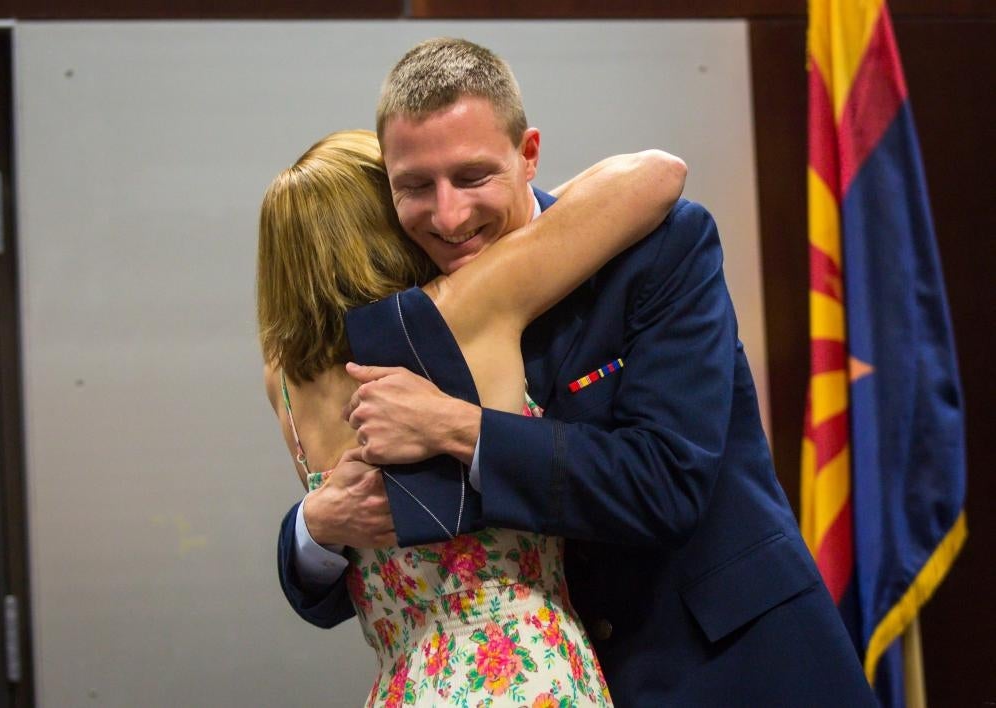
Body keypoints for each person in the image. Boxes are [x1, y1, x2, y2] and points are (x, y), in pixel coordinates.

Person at [282, 38, 878, 706]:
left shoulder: (658, 250)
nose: (448, 216)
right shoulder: (419, 312)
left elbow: (668, 482)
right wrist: (314, 530)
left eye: (474, 177)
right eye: (415, 188)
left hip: (737, 666)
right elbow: (410, 559)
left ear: (528, 152)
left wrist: (461, 429)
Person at [259, 129, 686, 705]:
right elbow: (653, 175)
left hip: (404, 682)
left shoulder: (285, 382)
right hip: (520, 671)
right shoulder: (463, 307)